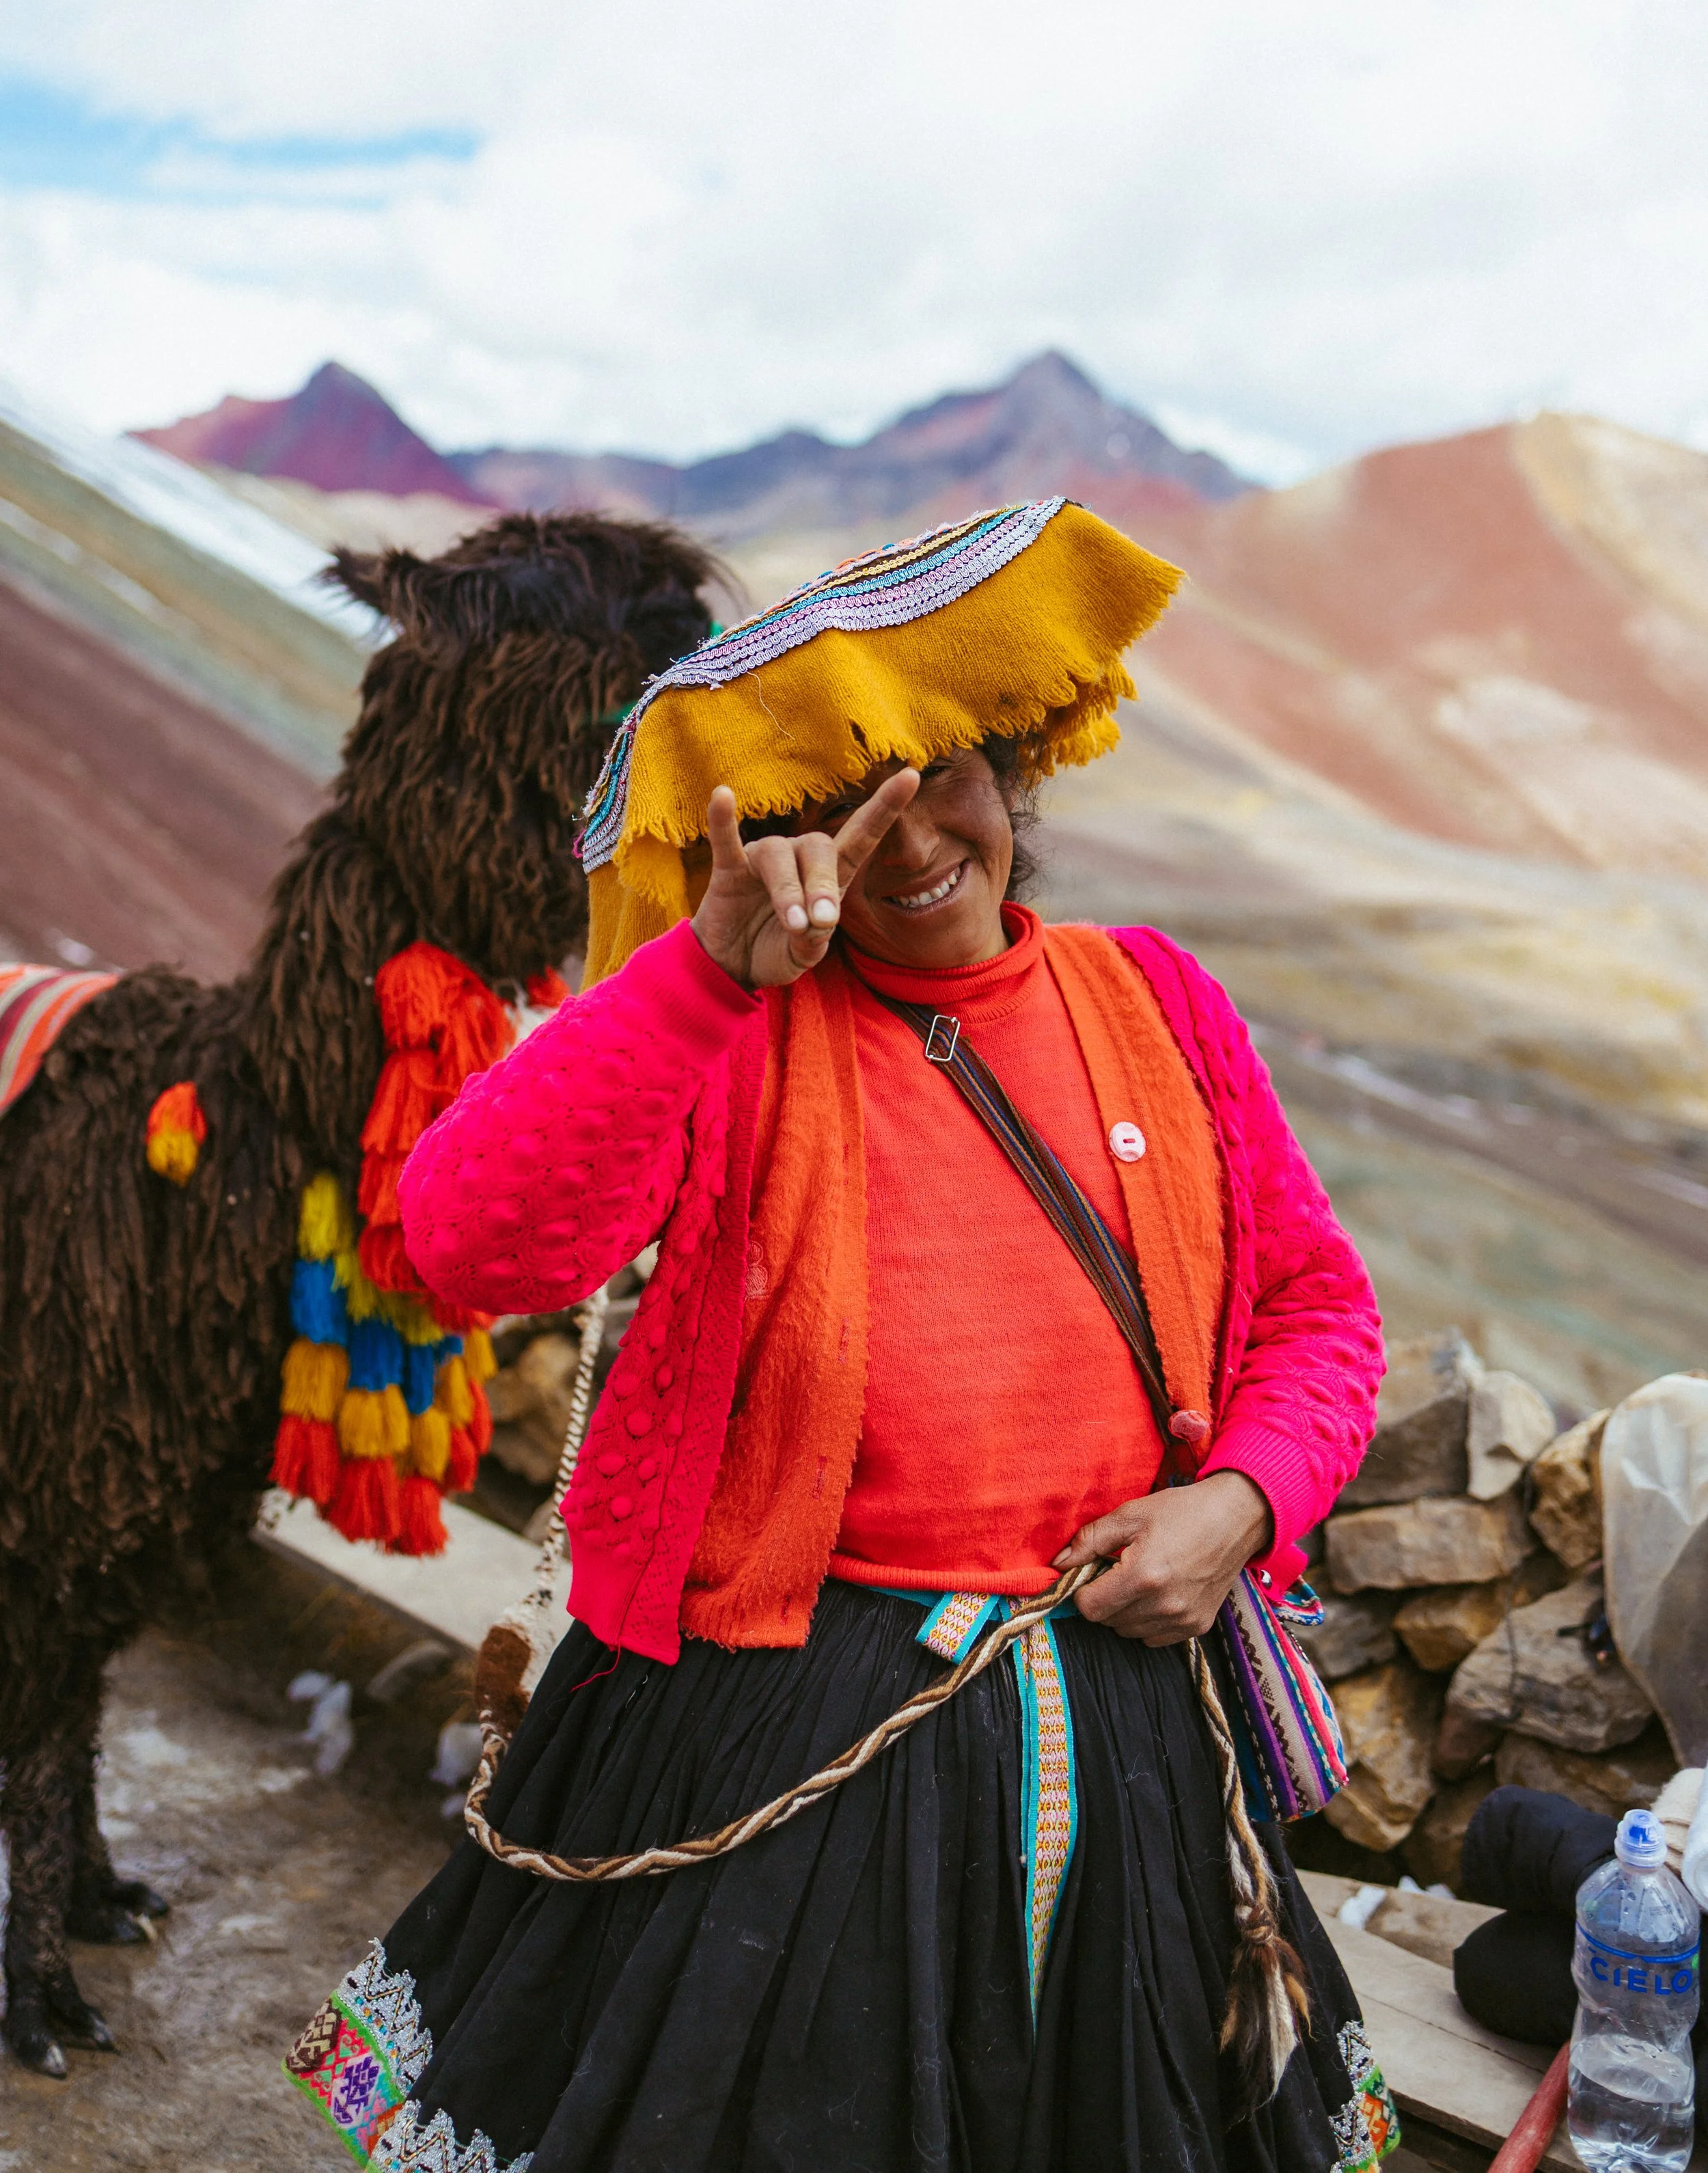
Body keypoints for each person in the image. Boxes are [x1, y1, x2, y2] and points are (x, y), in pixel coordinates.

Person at [285, 498, 1396, 2173]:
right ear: (781, 844)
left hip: (1125, 1715)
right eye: (840, 810)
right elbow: (463, 1244)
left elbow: (1317, 1305)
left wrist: (1237, 1505)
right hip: (773, 1716)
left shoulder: (1153, 1000)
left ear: (1009, 756)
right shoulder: (725, 1030)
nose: (907, 838)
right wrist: (697, 980)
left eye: (940, 773)